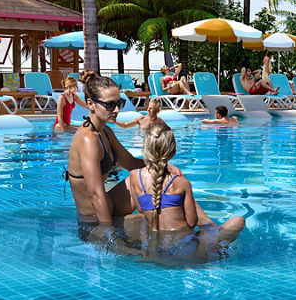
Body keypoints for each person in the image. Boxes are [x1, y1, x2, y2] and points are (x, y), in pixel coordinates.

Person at [125, 121, 245, 243]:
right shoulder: (181, 182)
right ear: (172, 150)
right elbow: (192, 223)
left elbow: (141, 211)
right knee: (238, 221)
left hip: (155, 250)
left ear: (145, 148)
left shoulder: (134, 176)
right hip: (184, 248)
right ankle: (218, 248)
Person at [66, 76, 156, 224]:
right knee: (151, 225)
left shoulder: (105, 131)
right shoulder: (87, 140)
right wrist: (108, 235)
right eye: (109, 105)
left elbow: (131, 163)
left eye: (119, 103)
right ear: (91, 104)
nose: (116, 110)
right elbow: (95, 194)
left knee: (151, 177)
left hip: (110, 205)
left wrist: (165, 167)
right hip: (94, 220)